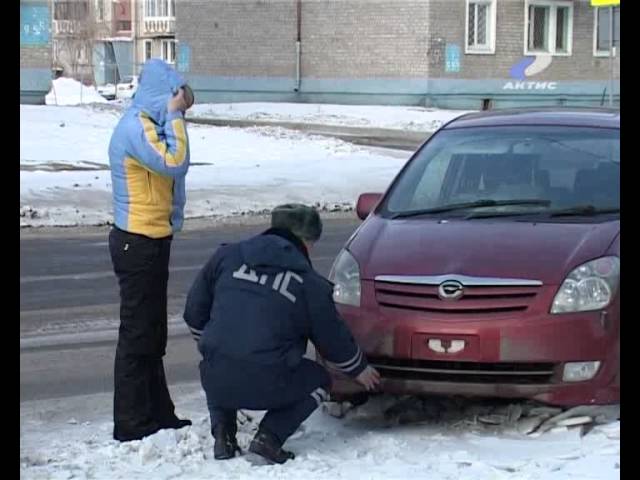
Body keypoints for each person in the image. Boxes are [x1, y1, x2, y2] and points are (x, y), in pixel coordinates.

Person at [184, 204, 380, 464]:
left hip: (215, 381)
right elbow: (332, 338)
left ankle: (223, 435)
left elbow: (193, 313)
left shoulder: (226, 257)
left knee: (222, 358)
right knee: (320, 379)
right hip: (268, 383)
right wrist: (359, 369)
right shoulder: (309, 283)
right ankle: (269, 438)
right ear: (305, 242)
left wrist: (210, 344)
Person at [108, 59, 195, 442]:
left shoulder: (153, 122)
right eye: (175, 96)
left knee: (152, 333)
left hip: (153, 238)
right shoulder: (136, 126)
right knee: (136, 336)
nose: (180, 104)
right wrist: (175, 116)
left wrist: (179, 106)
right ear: (161, 94)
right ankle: (130, 422)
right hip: (136, 241)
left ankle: (159, 412)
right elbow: (175, 163)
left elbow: (173, 184)